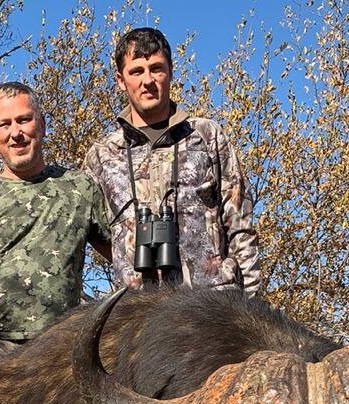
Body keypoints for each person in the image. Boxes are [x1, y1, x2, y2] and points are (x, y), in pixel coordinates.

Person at [0, 82, 111, 375]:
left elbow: (121, 256)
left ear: (42, 124)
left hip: (59, 347)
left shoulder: (81, 188)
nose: (15, 133)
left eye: (24, 120)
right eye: (4, 124)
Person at [83, 27, 261, 294]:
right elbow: (88, 232)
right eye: (136, 71)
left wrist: (252, 305)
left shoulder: (207, 135)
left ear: (171, 71)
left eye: (156, 69)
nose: (148, 80)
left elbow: (239, 225)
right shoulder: (101, 155)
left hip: (213, 307)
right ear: (120, 80)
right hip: (140, 314)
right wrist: (125, 257)